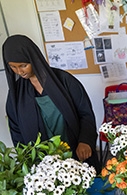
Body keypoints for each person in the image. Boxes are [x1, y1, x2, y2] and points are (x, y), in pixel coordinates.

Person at [2, 34, 100, 173]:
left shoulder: (65, 81)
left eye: (23, 65)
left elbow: (85, 113)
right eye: (13, 67)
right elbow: (16, 129)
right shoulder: (17, 94)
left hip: (76, 152)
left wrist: (85, 141)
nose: (19, 71)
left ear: (34, 59)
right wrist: (27, 157)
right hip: (44, 163)